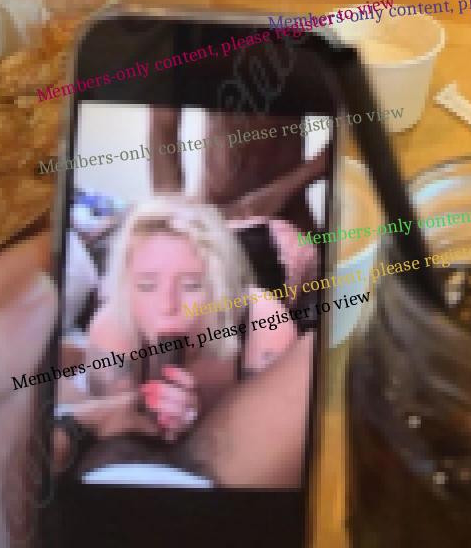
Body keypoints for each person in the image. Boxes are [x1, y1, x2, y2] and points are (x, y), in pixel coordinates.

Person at [54, 196, 315, 477]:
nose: (167, 305)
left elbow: (262, 445)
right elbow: (122, 439)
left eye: (191, 285)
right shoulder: (112, 324)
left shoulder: (263, 322)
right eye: (146, 285)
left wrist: (198, 420)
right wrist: (153, 418)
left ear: (220, 288)